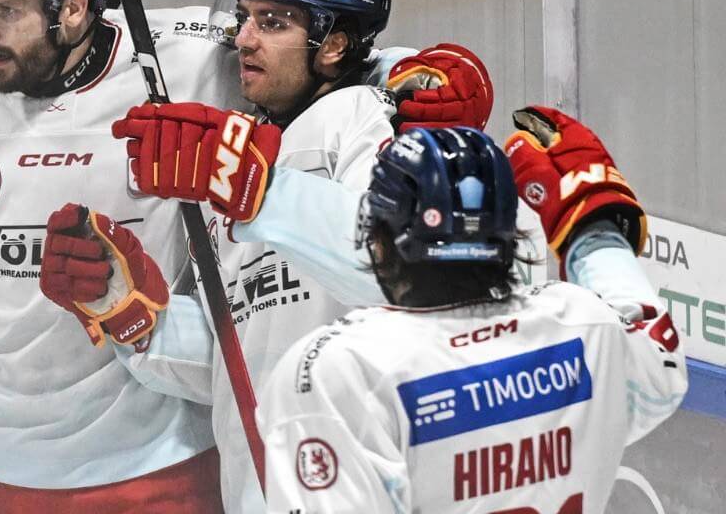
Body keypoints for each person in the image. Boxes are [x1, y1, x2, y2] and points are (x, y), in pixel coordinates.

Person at [0, 0, 486, 511]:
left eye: (6, 12)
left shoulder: (187, 62)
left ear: (75, 9)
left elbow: (327, 62)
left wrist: (417, 71)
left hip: (155, 462)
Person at [101, 0, 531, 511]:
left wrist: (252, 188)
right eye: (244, 15)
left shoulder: (364, 119)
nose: (244, 39)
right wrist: (136, 317)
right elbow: (239, 360)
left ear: (333, 46)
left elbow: (392, 272)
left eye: (273, 22)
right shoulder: (230, 159)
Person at [258, 112, 685, 513]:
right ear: (510, 234)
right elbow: (659, 368)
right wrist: (592, 231)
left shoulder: (343, 369)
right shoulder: (582, 324)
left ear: (380, 242)